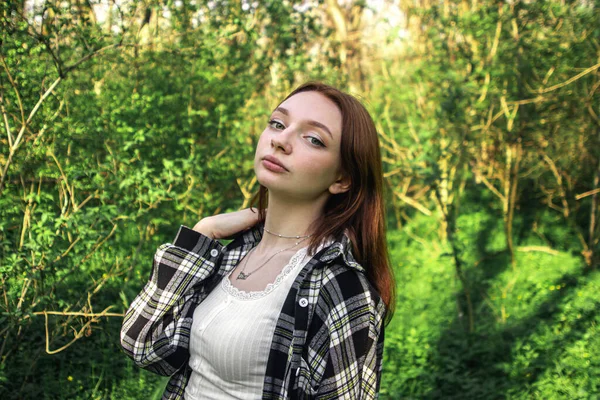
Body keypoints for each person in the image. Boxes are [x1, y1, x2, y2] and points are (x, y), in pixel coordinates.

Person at [120, 82, 396, 399]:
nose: (280, 140)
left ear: (342, 179)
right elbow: (142, 344)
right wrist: (201, 235)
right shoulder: (231, 253)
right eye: (278, 123)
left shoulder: (342, 288)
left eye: (314, 139)